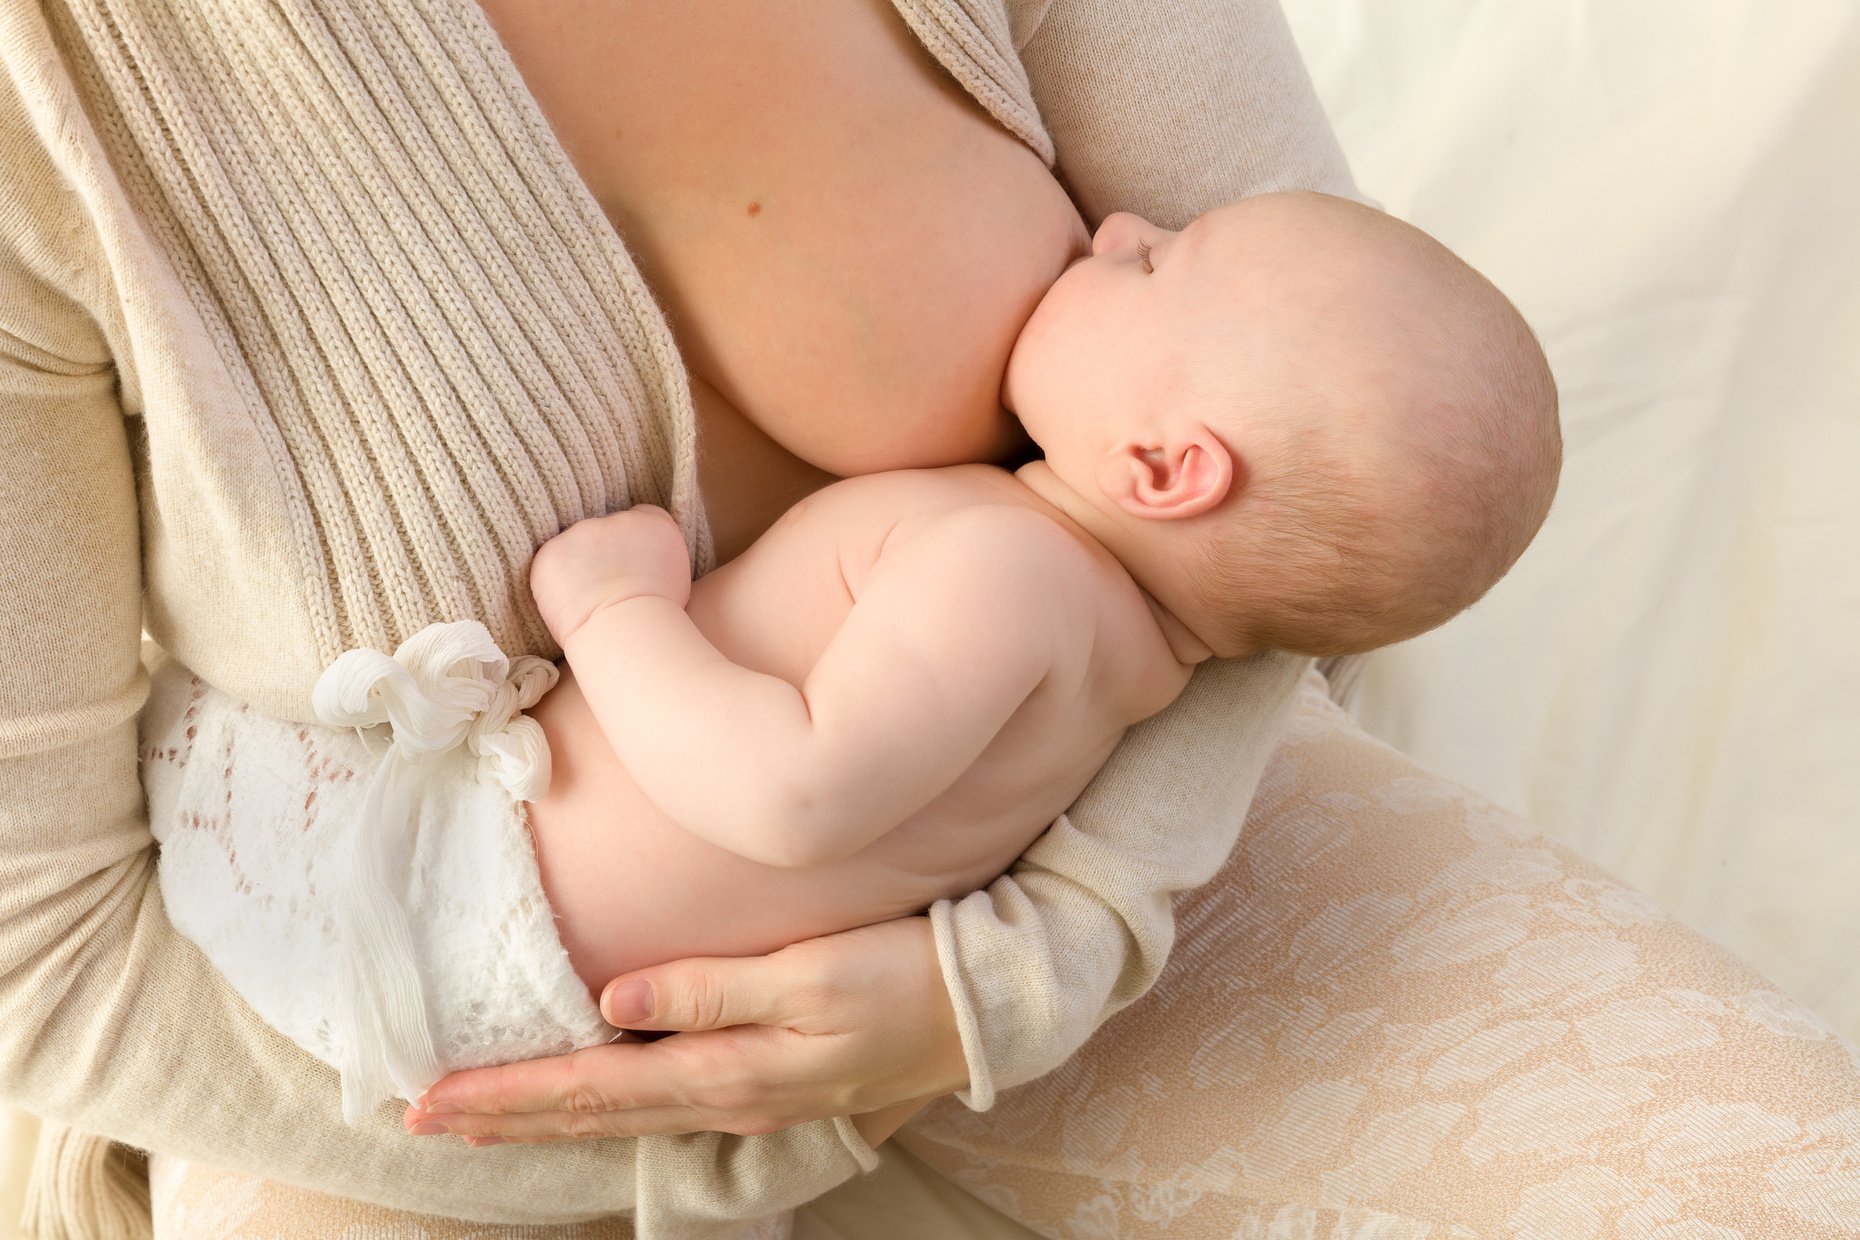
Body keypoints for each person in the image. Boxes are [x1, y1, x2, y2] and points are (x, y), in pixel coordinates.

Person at [3, 4, 1855, 1240]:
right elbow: (43, 960)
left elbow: (1320, 473)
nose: (1120, 252)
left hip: (1117, 838)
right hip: (408, 1059)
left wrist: (1034, 955)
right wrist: (697, 1115)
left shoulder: (1157, 512)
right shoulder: (50, 100)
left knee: (1770, 1185)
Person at [141, 189, 1562, 1127]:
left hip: (434, 902)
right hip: (534, 994)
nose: (1117, 219)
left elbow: (789, 796)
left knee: (203, 696)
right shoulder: (1136, 670)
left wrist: (613, 615)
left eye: (1148, 264)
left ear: (1165, 465)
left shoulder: (1008, 571)